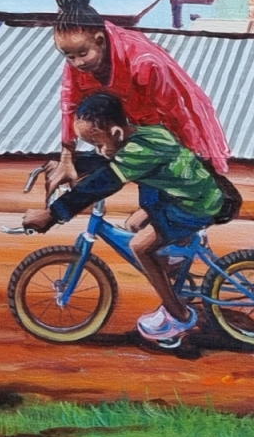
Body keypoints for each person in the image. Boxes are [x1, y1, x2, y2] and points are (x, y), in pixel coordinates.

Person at [27, 91, 228, 345]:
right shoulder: (140, 136)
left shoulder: (141, 151)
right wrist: (70, 163)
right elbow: (107, 159)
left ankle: (180, 315)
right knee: (133, 224)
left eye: (97, 143)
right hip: (185, 195)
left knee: (139, 246)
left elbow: (105, 180)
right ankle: (174, 260)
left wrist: (52, 214)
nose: (98, 150)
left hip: (193, 205)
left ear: (116, 133)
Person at [51, 0, 230, 190]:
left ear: (100, 40)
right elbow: (70, 106)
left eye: (82, 54)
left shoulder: (143, 62)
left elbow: (176, 114)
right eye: (69, 56)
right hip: (135, 129)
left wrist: (191, 160)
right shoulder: (78, 59)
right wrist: (66, 157)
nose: (77, 63)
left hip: (170, 125)